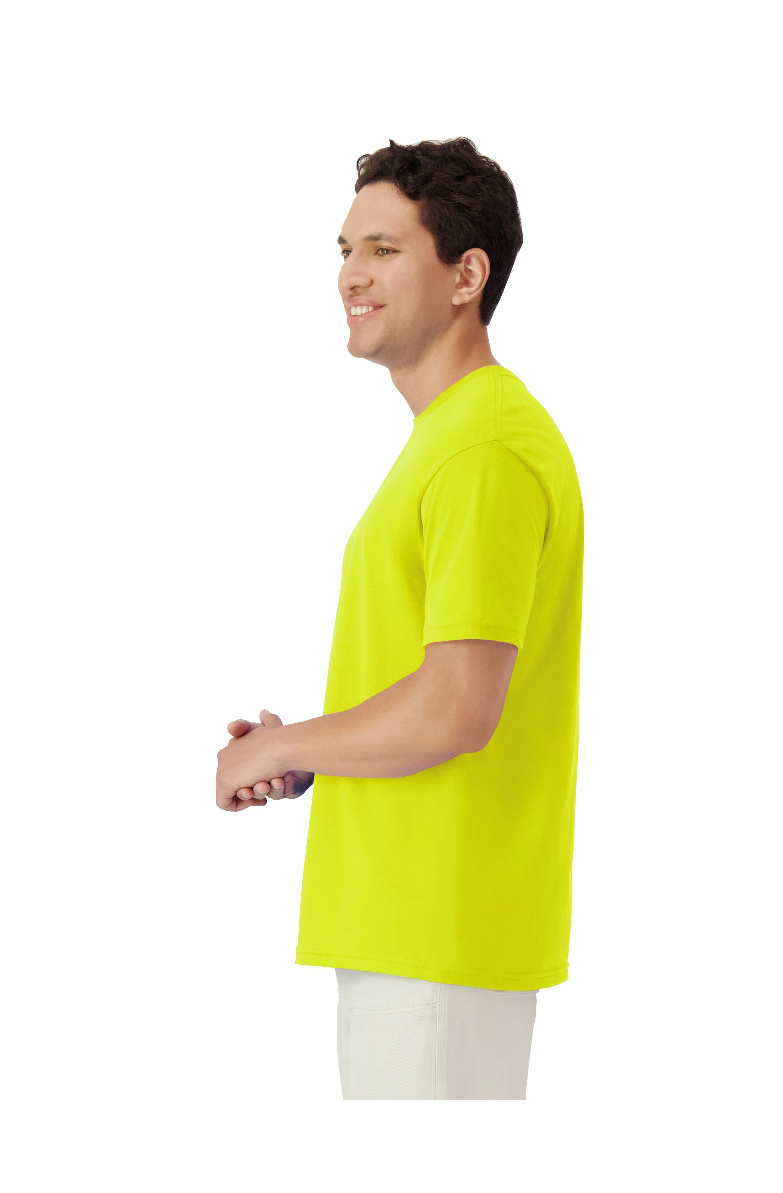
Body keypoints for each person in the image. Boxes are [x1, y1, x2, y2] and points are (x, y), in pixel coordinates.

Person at [215, 137, 584, 1100]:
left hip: (434, 941)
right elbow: (437, 689)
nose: (351, 275)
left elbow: (457, 709)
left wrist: (278, 745)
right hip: (415, 935)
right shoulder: (451, 439)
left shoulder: (481, 448)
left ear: (468, 275)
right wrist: (312, 751)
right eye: (345, 250)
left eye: (384, 249)